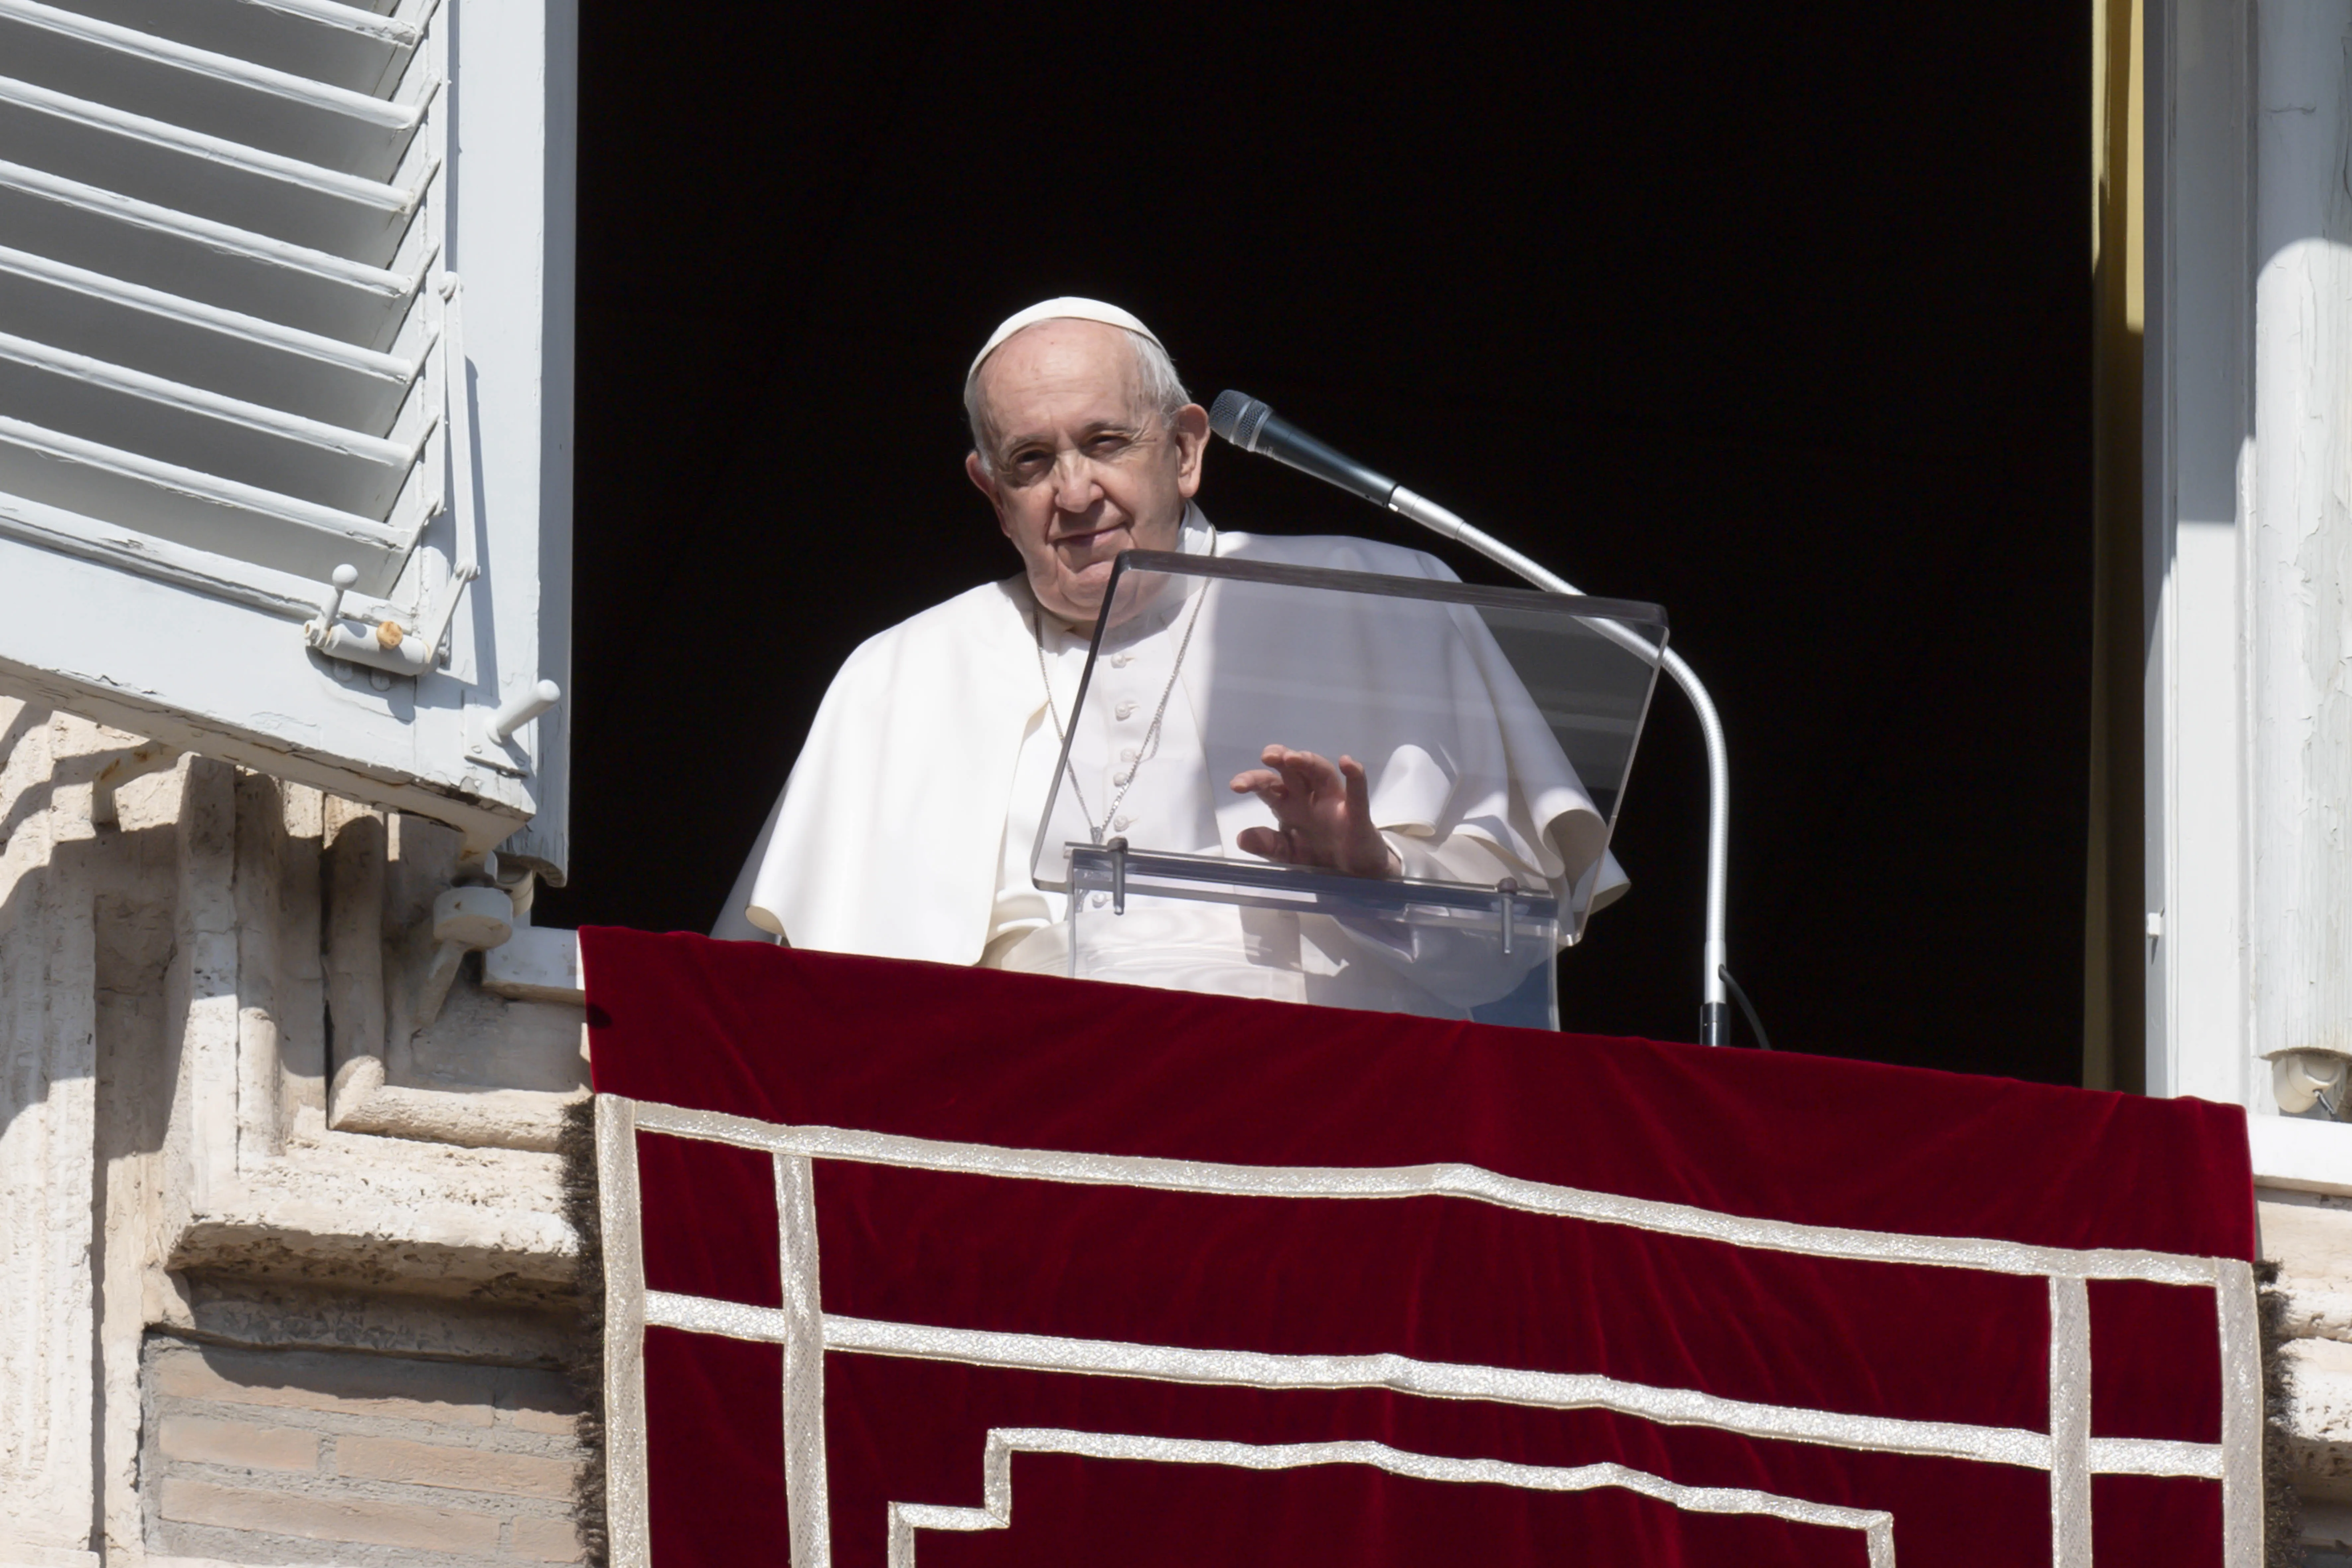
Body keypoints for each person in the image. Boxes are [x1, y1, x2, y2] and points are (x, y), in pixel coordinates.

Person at [716, 298, 1625, 1015]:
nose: (1075, 491)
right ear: (993, 494)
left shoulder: (1373, 596)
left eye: (1104, 442)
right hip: (1015, 1129)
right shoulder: (901, 674)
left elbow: (1508, 954)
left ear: (1185, 449)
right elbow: (785, 1003)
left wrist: (1377, 875)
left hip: (1335, 1115)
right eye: (1031, 461)